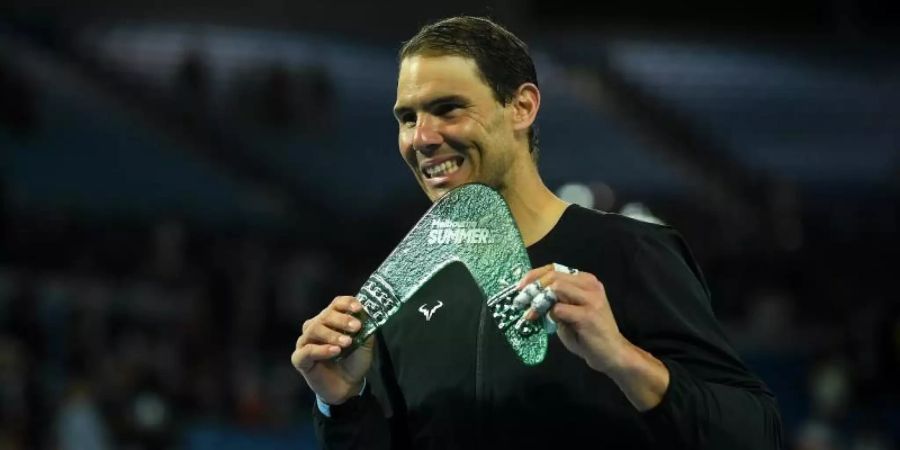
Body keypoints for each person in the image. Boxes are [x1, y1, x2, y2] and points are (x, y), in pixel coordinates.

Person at [291, 16, 782, 449]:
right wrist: (342, 402)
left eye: (448, 109)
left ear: (522, 107)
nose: (422, 137)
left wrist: (621, 359)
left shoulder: (630, 253)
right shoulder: (406, 287)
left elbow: (754, 434)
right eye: (408, 117)